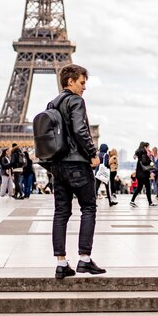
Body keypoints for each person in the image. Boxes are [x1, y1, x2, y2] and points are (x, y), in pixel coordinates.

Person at [48, 63, 105, 279]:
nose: (84, 88)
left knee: (61, 212)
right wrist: (92, 153)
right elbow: (81, 131)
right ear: (70, 81)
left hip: (58, 165)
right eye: (82, 83)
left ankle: (61, 263)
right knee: (89, 208)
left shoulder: (52, 103)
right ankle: (85, 259)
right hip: (77, 164)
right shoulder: (76, 100)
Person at [130, 142, 157, 207]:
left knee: (139, 188)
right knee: (148, 188)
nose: (149, 148)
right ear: (145, 147)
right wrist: (151, 158)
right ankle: (150, 203)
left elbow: (137, 153)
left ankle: (132, 201)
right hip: (144, 175)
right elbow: (147, 163)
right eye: (148, 147)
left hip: (139, 175)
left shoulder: (140, 154)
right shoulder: (144, 154)